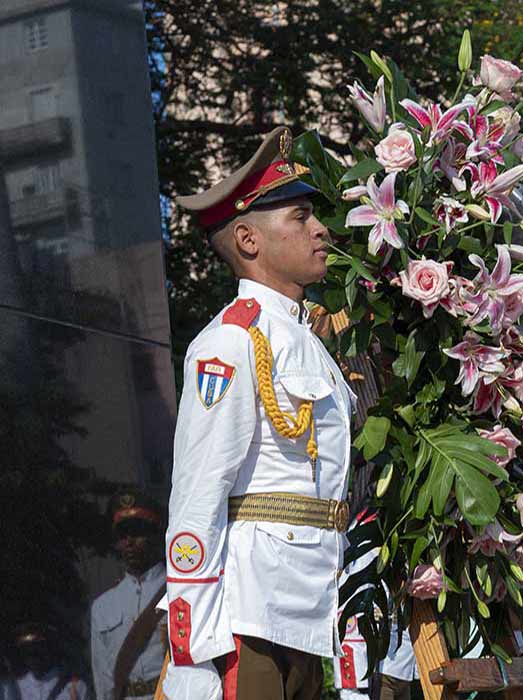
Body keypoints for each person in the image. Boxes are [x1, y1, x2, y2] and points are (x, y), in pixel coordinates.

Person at [158, 126, 357, 700]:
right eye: (299, 218)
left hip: (310, 605)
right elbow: (198, 492)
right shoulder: (229, 343)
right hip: (249, 613)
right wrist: (192, 645)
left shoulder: (308, 339)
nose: (320, 229)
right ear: (248, 239)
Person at [90, 490, 167, 700]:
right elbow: (103, 679)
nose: (130, 542)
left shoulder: (180, 590)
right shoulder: (103, 607)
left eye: (138, 532)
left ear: (155, 535)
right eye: (123, 535)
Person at [5, 623, 90, 700]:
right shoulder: (16, 688)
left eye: (37, 648)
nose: (32, 655)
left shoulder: (75, 686)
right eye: (26, 650)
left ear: (48, 648)